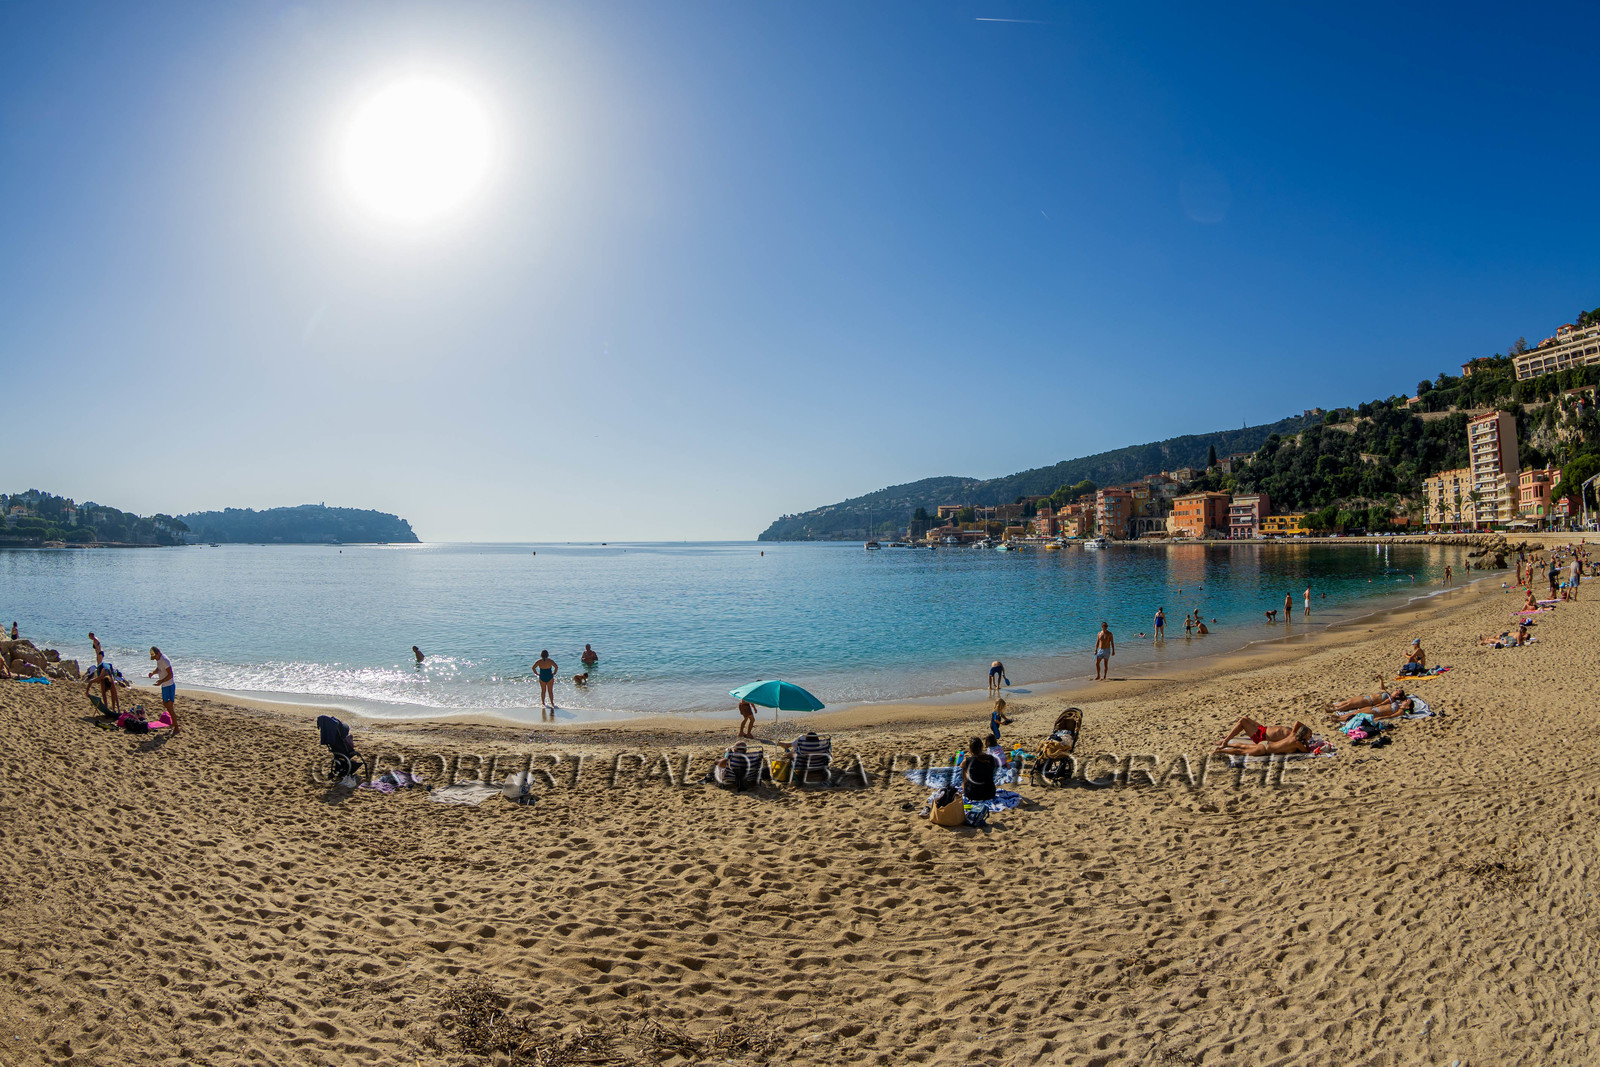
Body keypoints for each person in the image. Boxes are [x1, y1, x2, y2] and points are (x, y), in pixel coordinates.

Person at [1215, 722, 1315, 757]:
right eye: (1308, 735)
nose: (1309, 737)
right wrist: (1306, 742)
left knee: (1243, 746)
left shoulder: (1293, 734)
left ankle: (1227, 744)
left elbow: (1297, 723)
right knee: (1241, 751)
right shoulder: (1297, 743)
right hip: (1265, 749)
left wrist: (1306, 729)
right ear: (1304, 735)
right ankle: (1220, 751)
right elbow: (1307, 752)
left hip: (1266, 743)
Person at [147, 647, 178, 736]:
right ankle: (173, 723)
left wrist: (161, 681)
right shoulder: (159, 660)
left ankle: (176, 727)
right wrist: (153, 673)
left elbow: (170, 675)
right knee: (166, 704)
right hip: (164, 686)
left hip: (169, 685)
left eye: (155, 657)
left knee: (169, 707)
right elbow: (159, 668)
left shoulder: (165, 660)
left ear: (158, 653)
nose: (154, 659)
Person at [961, 736, 998, 802]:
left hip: (972, 794)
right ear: (981, 747)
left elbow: (961, 766)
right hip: (990, 793)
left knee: (964, 769)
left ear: (970, 749)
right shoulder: (990, 758)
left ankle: (965, 786)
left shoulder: (968, 760)